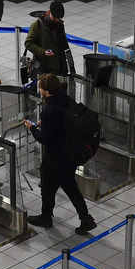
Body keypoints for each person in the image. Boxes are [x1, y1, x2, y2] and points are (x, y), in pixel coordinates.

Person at [24, 74, 96, 235]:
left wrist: (32, 128)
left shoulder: (48, 111)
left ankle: (46, 217)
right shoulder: (67, 100)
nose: (40, 89)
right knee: (70, 186)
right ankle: (85, 217)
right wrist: (47, 125)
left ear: (47, 91)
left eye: (41, 87)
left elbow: (45, 139)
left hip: (56, 157)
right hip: (71, 153)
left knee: (48, 187)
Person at [24, 1, 70, 80]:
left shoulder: (60, 24)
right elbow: (28, 43)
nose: (57, 20)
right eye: (54, 17)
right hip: (44, 67)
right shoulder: (37, 25)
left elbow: (63, 42)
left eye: (59, 18)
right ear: (49, 12)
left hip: (59, 65)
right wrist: (43, 52)